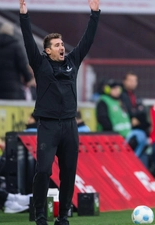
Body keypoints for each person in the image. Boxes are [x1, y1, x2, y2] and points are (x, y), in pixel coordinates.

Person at [19, 1, 100, 224]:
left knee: (68, 174)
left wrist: (94, 14)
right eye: (56, 44)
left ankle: (63, 216)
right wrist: (24, 17)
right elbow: (27, 41)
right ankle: (40, 215)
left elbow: (88, 40)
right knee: (44, 170)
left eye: (62, 43)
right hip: (48, 126)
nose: (61, 46)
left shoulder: (72, 61)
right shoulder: (40, 63)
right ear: (47, 50)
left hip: (69, 126)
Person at [0, 22, 34, 100]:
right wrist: (28, 78)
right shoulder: (15, 46)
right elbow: (22, 64)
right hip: (12, 83)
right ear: (11, 32)